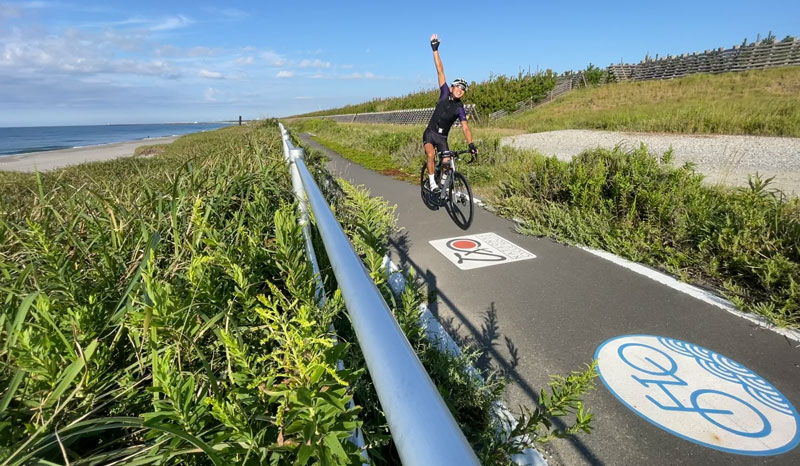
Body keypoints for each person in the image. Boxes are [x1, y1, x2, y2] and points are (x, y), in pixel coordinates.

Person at [423, 33, 477, 194]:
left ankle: (443, 184)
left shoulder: (460, 108)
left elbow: (465, 128)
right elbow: (440, 70)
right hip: (430, 134)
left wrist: (471, 144)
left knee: (447, 162)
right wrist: (435, 50)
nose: (460, 90)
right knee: (431, 155)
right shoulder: (444, 92)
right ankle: (432, 182)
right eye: (458, 87)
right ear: (452, 87)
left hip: (442, 138)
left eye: (463, 89)